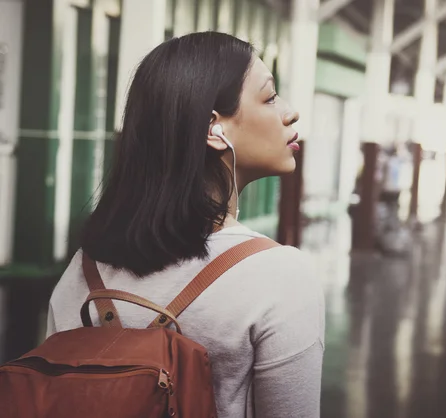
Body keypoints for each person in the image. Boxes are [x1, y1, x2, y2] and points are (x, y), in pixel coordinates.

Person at [46, 32, 325, 418]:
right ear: (214, 129)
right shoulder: (280, 276)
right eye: (270, 97)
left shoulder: (83, 269)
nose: (290, 112)